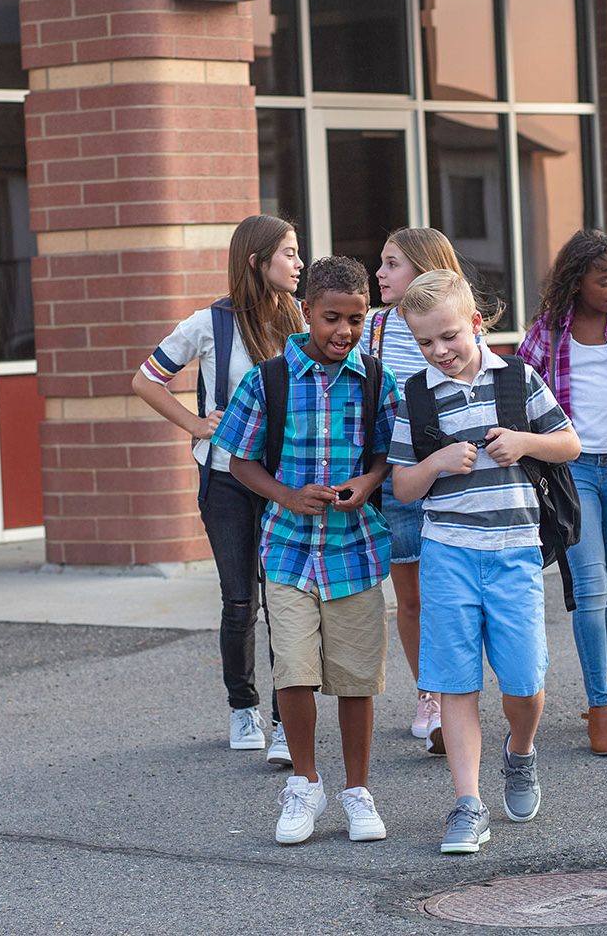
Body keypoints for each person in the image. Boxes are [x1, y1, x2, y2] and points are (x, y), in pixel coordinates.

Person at [389, 271, 580, 854]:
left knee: (524, 681)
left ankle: (520, 751)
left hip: (514, 553)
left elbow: (570, 444)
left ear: (476, 323)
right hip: (447, 554)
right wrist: (438, 462)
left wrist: (524, 442)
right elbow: (401, 487)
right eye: (425, 342)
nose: (439, 351)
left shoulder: (518, 379)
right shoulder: (416, 398)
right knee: (455, 684)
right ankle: (467, 804)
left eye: (448, 336)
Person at [211, 255, 399, 845]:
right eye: (331, 318)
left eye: (356, 319)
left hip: (355, 549)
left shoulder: (376, 380)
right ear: (307, 312)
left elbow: (387, 455)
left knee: (355, 678)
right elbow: (238, 460)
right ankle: (305, 783)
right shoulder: (266, 380)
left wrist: (366, 485)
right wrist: (288, 496)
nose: (343, 331)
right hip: (289, 548)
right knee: (293, 669)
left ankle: (357, 792)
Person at [132, 214, 303, 764]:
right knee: (239, 600)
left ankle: (285, 721)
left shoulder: (301, 318)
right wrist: (195, 423)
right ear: (257, 261)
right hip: (226, 479)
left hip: (284, 481)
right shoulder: (210, 323)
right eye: (290, 254)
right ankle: (242, 707)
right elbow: (146, 379)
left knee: (286, 601)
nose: (299, 265)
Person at [518, 230, 607, 757]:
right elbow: (522, 396)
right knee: (591, 586)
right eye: (604, 279)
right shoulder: (547, 333)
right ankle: (600, 704)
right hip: (572, 471)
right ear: (576, 279)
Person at [369, 227, 466, 754]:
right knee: (411, 598)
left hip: (456, 476)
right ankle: (429, 697)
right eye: (381, 264)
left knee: (453, 594)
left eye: (391, 264)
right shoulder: (373, 328)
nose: (380, 275)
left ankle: (458, 691)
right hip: (400, 475)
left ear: (425, 269)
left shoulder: (456, 330)